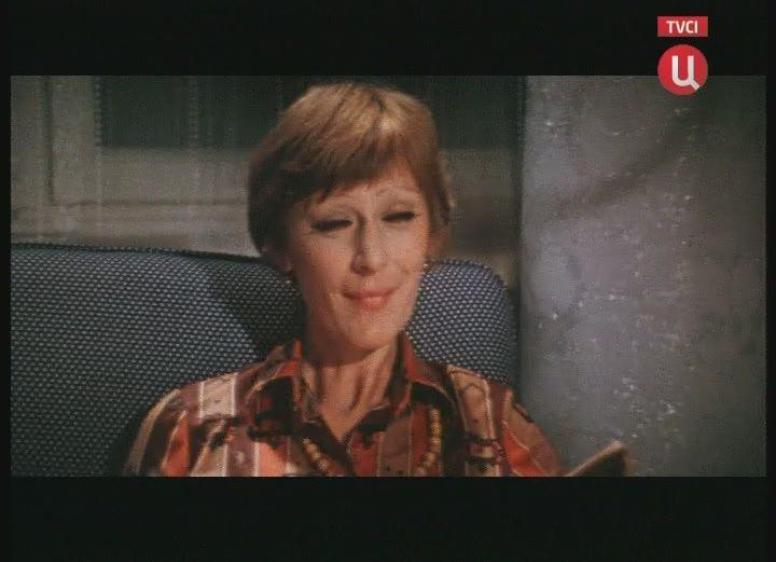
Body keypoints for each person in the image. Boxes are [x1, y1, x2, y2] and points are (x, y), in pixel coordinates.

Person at [123, 81, 565, 477]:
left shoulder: (491, 423)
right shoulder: (193, 431)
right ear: (281, 247)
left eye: (398, 216)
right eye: (334, 223)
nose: (371, 258)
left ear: (431, 237)